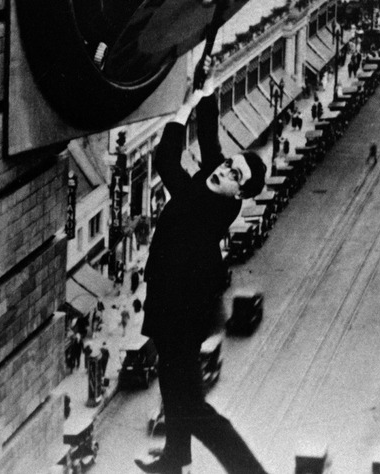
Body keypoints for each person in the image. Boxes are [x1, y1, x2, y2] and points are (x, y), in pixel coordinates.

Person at [137, 92, 269, 474]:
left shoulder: (201, 201)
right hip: (172, 295)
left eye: (235, 175)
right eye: (230, 165)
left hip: (182, 306)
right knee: (171, 380)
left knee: (192, 404)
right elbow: (211, 143)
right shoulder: (220, 188)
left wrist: (183, 108)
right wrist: (207, 92)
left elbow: (165, 161)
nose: (224, 170)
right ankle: (176, 456)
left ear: (240, 193)